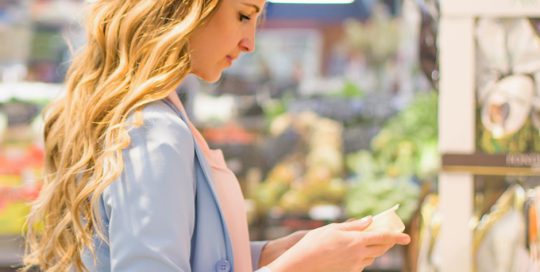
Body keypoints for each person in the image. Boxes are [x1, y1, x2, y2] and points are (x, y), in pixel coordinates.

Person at [22, 0, 410, 271]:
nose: (250, 43)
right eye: (244, 15)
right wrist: (299, 267)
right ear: (189, 8)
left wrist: (270, 254)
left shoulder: (154, 116)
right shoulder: (154, 131)